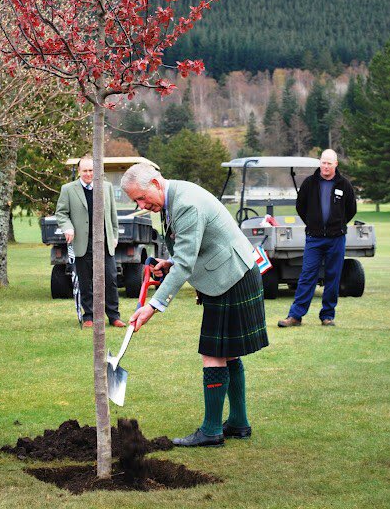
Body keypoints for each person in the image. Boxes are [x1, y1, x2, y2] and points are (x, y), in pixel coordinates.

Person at [121, 163, 269, 447]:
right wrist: (170, 262)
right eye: (136, 201)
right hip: (232, 273)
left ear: (155, 182)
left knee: (213, 354)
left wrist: (152, 306)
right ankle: (238, 423)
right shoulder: (173, 199)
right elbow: (189, 249)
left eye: (141, 197)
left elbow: (187, 262)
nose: (141, 205)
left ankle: (211, 431)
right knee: (229, 353)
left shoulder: (186, 203)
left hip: (231, 277)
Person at [278, 149, 357, 328]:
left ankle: (327, 316)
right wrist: (314, 224)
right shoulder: (310, 183)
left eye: (329, 163)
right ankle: (295, 316)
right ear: (319, 163)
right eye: (323, 162)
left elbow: (351, 209)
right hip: (314, 239)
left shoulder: (344, 185)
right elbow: (301, 206)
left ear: (336, 164)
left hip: (336, 239)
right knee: (307, 276)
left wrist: (337, 225)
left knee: (332, 277)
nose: (326, 166)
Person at [55, 154, 125, 328]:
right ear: (79, 171)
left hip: (104, 242)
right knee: (85, 281)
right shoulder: (68, 189)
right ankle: (89, 317)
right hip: (82, 243)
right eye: (85, 170)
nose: (88, 174)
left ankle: (114, 316)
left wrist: (114, 235)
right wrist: (68, 227)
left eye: (91, 170)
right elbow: (61, 213)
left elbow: (112, 214)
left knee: (110, 278)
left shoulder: (106, 187)